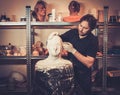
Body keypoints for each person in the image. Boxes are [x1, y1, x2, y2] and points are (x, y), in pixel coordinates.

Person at [60, 14, 98, 95]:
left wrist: (73, 50)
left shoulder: (93, 40)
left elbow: (89, 63)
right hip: (68, 75)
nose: (81, 29)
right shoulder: (72, 32)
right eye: (80, 25)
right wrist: (54, 36)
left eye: (85, 28)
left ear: (91, 29)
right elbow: (59, 39)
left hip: (82, 78)